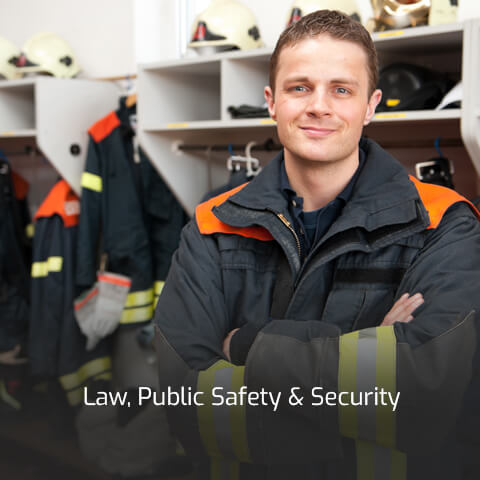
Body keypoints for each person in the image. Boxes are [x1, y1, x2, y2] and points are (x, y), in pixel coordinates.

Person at [154, 9, 480, 480]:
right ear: (271, 101)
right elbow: (186, 406)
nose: (319, 106)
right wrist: (362, 366)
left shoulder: (443, 223)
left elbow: (417, 399)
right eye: (299, 87)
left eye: (341, 90)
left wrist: (245, 345)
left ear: (371, 105)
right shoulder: (212, 226)